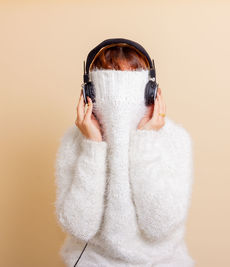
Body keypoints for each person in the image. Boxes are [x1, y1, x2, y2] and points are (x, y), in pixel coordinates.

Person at [54, 39, 195, 266]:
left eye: (131, 76)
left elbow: (159, 225)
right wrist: (93, 145)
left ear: (151, 91)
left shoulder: (175, 139)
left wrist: (145, 141)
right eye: (109, 76)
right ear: (89, 92)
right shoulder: (75, 140)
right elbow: (79, 226)